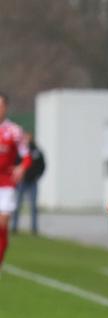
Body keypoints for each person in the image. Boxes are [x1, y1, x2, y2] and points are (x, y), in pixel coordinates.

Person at [0, 92, 31, 270]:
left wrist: (21, 167)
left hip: (6, 184)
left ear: (6, 107)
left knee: (2, 224)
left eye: (1, 105)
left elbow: (26, 156)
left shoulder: (14, 131)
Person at [13, 132, 45, 235]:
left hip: (32, 182)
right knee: (17, 205)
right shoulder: (20, 151)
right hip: (22, 181)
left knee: (33, 206)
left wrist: (37, 176)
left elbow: (42, 165)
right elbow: (15, 163)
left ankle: (34, 228)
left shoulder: (36, 151)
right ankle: (14, 227)